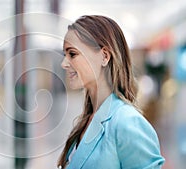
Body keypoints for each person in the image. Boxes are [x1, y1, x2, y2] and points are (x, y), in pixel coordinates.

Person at [58, 15, 165, 169]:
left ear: (104, 56)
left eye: (72, 54)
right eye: (64, 55)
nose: (64, 63)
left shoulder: (127, 122)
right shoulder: (87, 121)